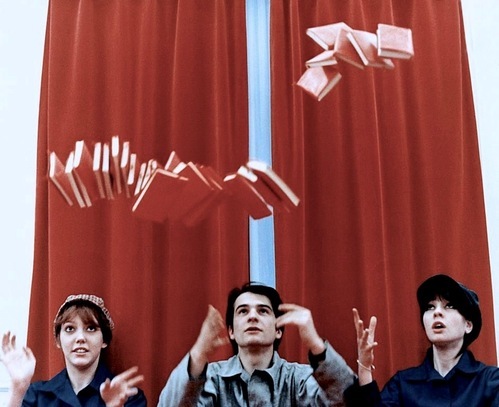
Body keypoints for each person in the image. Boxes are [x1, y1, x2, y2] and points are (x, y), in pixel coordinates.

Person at [157, 282, 354, 406]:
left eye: (263, 311)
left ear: (278, 329)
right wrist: (198, 354)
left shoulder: (299, 379)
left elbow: (351, 401)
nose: (252, 316)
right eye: (243, 311)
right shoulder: (211, 379)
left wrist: (317, 347)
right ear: (231, 331)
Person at [344, 274, 499, 406]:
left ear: (468, 325)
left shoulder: (490, 381)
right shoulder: (403, 384)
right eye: (430, 307)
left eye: (449, 306)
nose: (437, 312)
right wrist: (364, 367)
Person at [1, 294, 147, 406]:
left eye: (91, 328)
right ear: (58, 340)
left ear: (104, 340)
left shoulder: (128, 396)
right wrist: (18, 388)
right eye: (70, 329)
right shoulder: (37, 395)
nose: (80, 338)